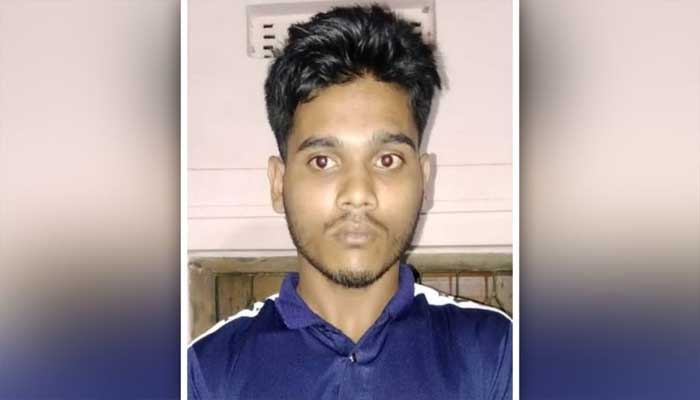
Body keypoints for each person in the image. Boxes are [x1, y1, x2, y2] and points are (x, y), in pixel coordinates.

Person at [188, 4, 512, 399]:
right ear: (279, 182)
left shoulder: (496, 353)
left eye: (387, 160)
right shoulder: (207, 371)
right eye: (323, 161)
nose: (358, 194)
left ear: (424, 180)